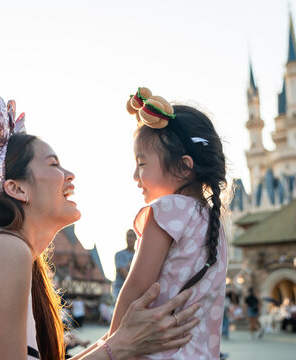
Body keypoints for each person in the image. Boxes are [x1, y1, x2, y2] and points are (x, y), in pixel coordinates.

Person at [0, 95, 201, 360]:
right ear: (17, 189)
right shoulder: (3, 249)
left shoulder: (8, 252)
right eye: (54, 165)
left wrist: (119, 342)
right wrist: (119, 346)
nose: (70, 175)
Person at [109, 87, 228, 359]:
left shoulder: (166, 210)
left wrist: (111, 346)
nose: (134, 176)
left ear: (183, 167)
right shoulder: (213, 224)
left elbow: (137, 288)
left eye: (141, 164)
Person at [113, 230, 136, 301]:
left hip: (134, 291)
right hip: (121, 290)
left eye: (131, 236)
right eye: (128, 236)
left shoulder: (138, 255)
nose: (129, 239)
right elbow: (124, 273)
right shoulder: (119, 254)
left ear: (136, 238)